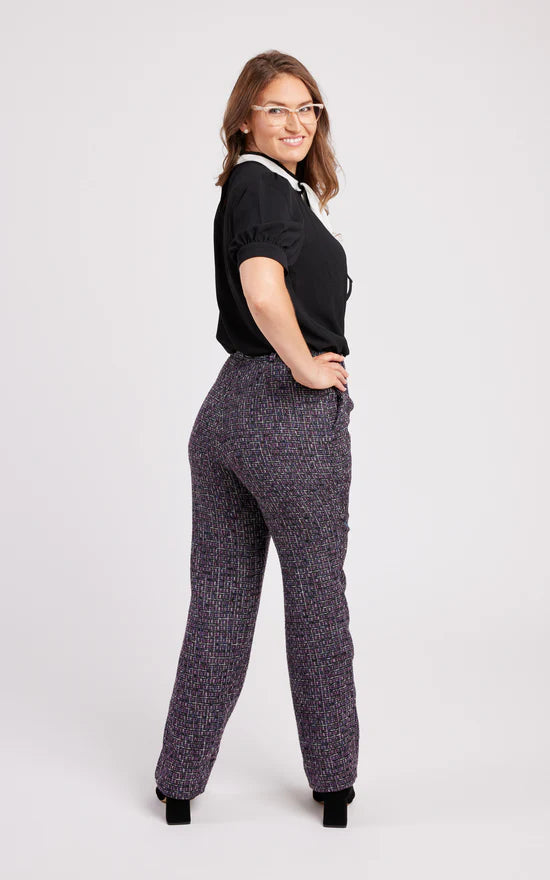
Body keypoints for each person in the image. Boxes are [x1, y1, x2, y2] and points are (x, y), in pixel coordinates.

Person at [154, 50, 359, 828]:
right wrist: (307, 368)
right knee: (316, 599)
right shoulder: (266, 187)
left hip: (225, 415)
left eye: (307, 108)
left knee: (220, 602)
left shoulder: (254, 186)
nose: (296, 122)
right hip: (286, 417)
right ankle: (334, 784)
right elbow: (263, 290)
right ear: (245, 118)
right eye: (277, 108)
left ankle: (178, 786)